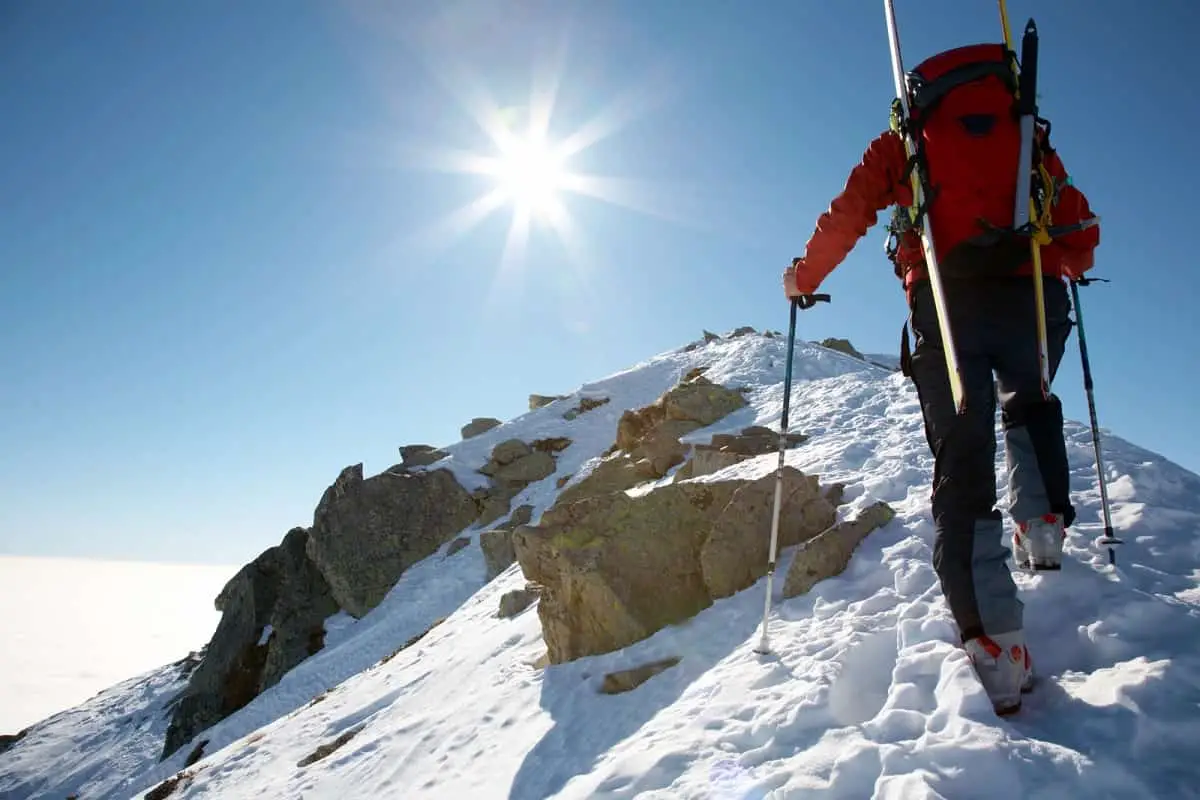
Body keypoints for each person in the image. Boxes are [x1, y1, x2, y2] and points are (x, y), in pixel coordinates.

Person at [782, 43, 1099, 714]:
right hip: (1033, 297)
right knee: (1031, 403)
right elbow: (1076, 221)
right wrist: (1064, 261)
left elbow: (850, 212)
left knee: (965, 458)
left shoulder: (903, 141)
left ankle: (996, 645)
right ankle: (1041, 527)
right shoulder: (1024, 129)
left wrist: (802, 278)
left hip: (949, 303)